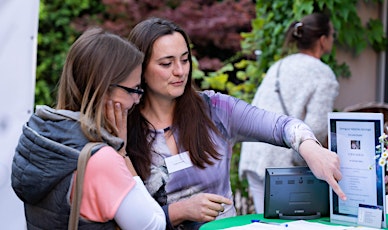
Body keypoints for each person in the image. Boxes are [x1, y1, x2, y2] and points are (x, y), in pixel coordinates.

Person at [126, 17, 346, 230]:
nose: (180, 71)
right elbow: (124, 219)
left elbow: (281, 126)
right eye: (167, 63)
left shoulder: (214, 109)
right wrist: (179, 211)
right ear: (140, 68)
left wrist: (310, 147)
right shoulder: (122, 129)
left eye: (184, 60)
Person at [11, 28, 166, 229]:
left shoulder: (36, 135)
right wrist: (121, 153)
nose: (137, 99)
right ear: (103, 90)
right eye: (133, 90)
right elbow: (154, 226)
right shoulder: (102, 159)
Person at [239, 13, 339, 213]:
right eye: (332, 35)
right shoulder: (323, 74)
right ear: (322, 40)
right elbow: (316, 128)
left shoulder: (280, 65)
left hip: (254, 155)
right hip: (282, 168)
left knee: (264, 224)